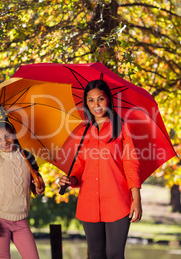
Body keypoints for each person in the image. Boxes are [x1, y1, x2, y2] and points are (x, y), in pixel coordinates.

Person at [58, 79, 142, 259]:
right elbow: (79, 168)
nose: (96, 104)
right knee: (96, 254)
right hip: (88, 202)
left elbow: (131, 164)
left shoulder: (121, 128)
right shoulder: (82, 133)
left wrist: (136, 199)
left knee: (114, 254)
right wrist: (70, 180)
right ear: (86, 103)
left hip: (118, 201)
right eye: (91, 100)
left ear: (108, 100)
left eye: (100, 99)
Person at [0, 120, 45, 259]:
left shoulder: (27, 157)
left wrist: (40, 187)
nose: (4, 141)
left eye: (7, 136)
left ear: (15, 134)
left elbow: (37, 188)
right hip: (0, 220)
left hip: (21, 221)